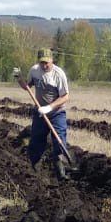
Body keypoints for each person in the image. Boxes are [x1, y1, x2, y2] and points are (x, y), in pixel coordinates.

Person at [19, 47, 71, 180]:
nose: (45, 65)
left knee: (59, 141)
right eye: (42, 62)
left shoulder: (58, 74)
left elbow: (65, 97)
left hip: (57, 113)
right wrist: (19, 79)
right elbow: (27, 86)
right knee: (36, 141)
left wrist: (49, 107)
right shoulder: (34, 70)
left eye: (47, 62)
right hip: (40, 114)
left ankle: (61, 171)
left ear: (52, 60)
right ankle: (34, 170)